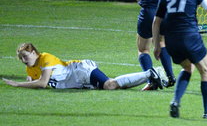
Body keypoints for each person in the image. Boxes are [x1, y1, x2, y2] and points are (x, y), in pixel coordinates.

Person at [3, 42, 164, 90]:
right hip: (79, 81)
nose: (23, 60)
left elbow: (42, 83)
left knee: (110, 85)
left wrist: (18, 84)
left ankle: (151, 74)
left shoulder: (45, 58)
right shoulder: (30, 67)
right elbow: (33, 80)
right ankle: (151, 77)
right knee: (113, 86)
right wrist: (29, 80)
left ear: (34, 52)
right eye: (21, 58)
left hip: (81, 70)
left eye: (25, 56)